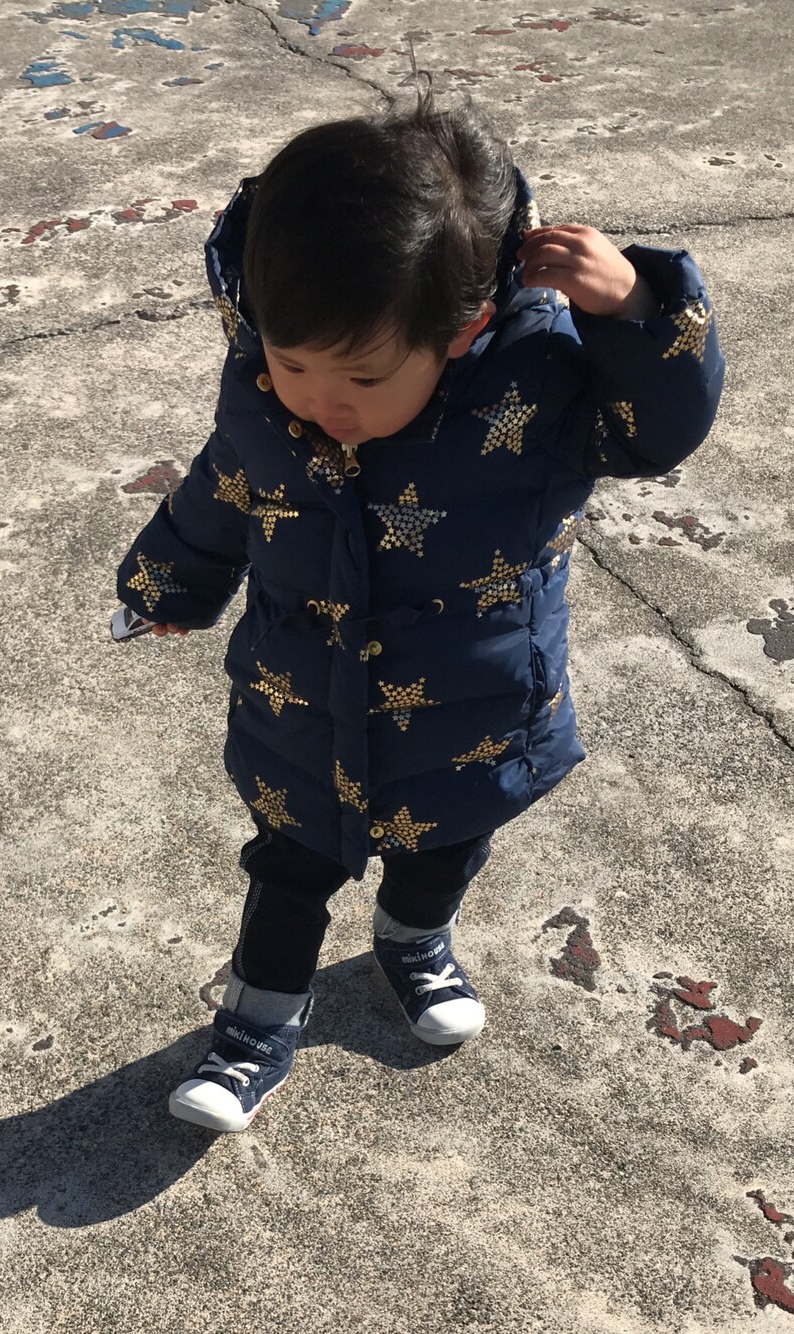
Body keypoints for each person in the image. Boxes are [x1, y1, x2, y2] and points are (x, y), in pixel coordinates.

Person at [115, 85, 725, 1133]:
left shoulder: (535, 389)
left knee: (445, 844)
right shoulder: (266, 395)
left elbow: (654, 432)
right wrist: (167, 584)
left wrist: (636, 314)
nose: (321, 399)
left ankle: (412, 940)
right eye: (292, 361)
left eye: (361, 375)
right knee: (289, 865)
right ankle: (256, 1021)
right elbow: (225, 484)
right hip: (300, 704)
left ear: (462, 326)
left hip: (469, 708)